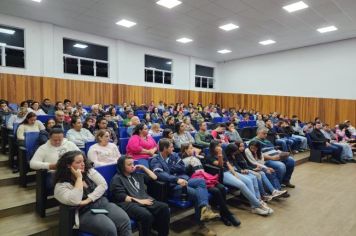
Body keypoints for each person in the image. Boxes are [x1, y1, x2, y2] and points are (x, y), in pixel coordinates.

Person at [150, 139, 219, 235]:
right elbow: (159, 174)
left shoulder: (174, 155)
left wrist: (169, 169)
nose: (173, 148)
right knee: (196, 194)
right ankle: (201, 226)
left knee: (201, 181)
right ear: (165, 148)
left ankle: (205, 209)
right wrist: (176, 178)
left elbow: (182, 167)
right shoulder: (156, 160)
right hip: (173, 186)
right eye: (171, 147)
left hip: (185, 180)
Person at [54, 151, 131, 236]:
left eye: (83, 161)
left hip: (102, 204)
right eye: (78, 162)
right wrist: (79, 178)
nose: (83, 164)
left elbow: (103, 185)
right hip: (84, 212)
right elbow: (75, 200)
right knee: (109, 229)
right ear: (68, 165)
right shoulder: (61, 186)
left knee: (124, 221)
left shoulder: (89, 171)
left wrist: (88, 200)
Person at [180, 143, 241, 227]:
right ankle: (228, 215)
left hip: (206, 178)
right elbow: (185, 174)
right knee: (216, 191)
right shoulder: (184, 161)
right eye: (191, 148)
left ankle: (223, 214)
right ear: (186, 150)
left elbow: (200, 154)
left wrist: (196, 153)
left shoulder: (196, 157)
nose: (193, 149)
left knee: (222, 188)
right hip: (197, 182)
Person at [206, 141, 272, 216]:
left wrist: (235, 173)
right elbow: (220, 166)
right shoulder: (209, 156)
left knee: (249, 180)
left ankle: (254, 207)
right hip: (222, 174)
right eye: (218, 146)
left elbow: (228, 164)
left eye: (220, 146)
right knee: (242, 185)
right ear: (213, 148)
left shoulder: (222, 151)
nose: (220, 148)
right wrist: (220, 155)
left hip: (230, 171)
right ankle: (258, 204)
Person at [110, 155, 170, 236]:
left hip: (143, 198)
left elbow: (154, 177)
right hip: (128, 203)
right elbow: (121, 196)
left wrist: (143, 168)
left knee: (164, 208)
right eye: (129, 164)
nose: (132, 166)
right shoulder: (117, 179)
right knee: (146, 215)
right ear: (122, 166)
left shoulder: (137, 175)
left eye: (133, 164)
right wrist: (140, 201)